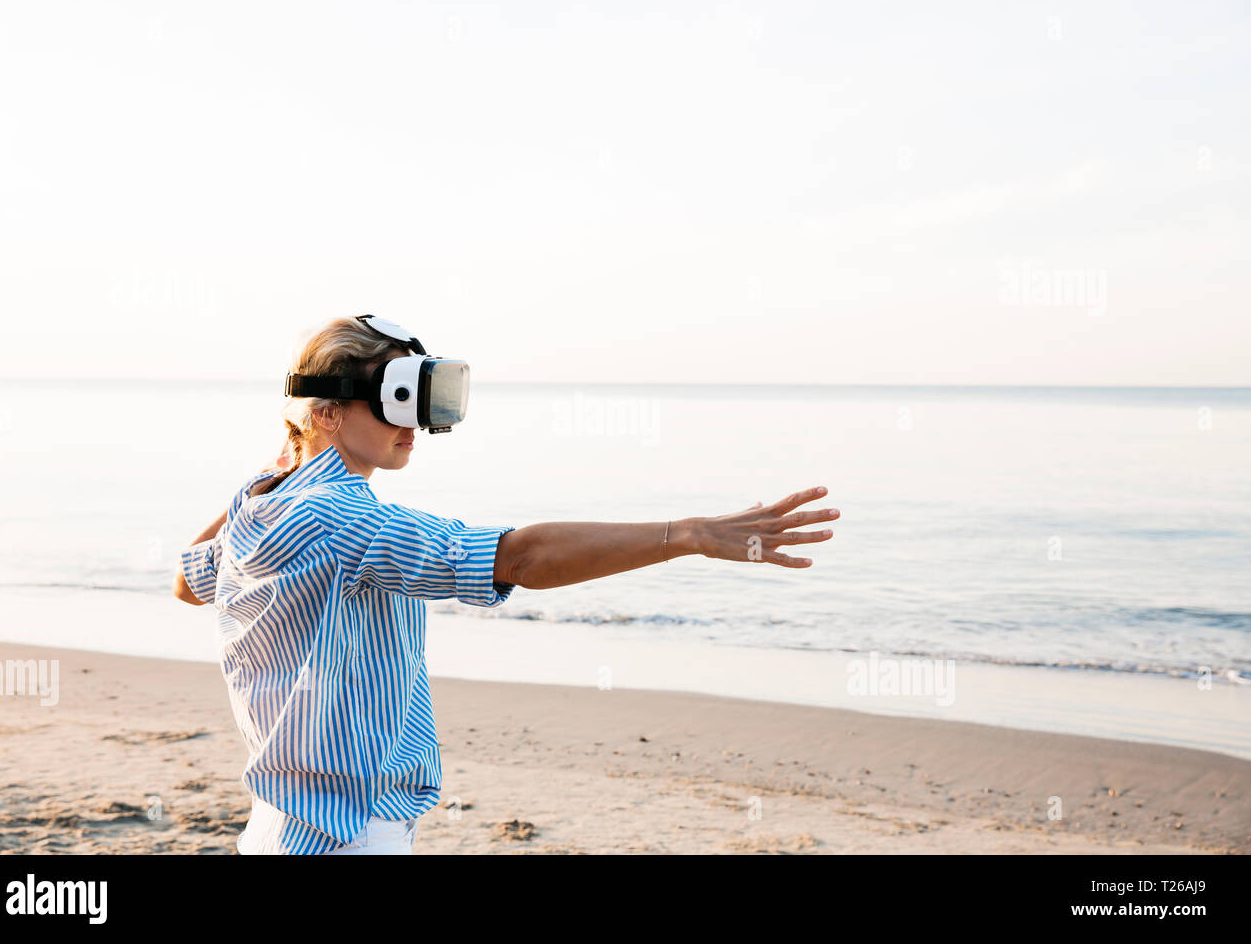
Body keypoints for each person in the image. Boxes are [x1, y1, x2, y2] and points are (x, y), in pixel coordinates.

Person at [174, 315, 839, 854]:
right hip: (348, 832)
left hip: (281, 825)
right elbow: (519, 557)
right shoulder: (342, 518)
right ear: (326, 411)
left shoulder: (264, 504)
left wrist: (285, 461)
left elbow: (186, 578)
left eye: (421, 398)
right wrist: (687, 535)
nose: (413, 422)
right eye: (394, 399)